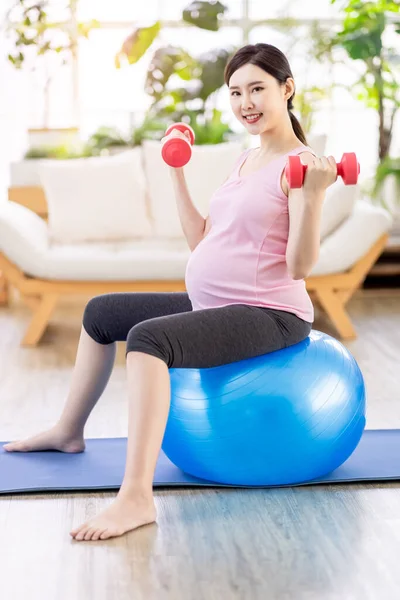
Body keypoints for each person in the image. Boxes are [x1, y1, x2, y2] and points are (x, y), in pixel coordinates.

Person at [3, 43, 338, 542]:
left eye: (258, 89)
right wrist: (176, 173)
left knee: (148, 340)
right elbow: (202, 240)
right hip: (220, 304)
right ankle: (68, 430)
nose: (246, 102)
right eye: (236, 92)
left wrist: (311, 195)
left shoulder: (301, 166)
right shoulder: (247, 159)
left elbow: (300, 265)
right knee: (101, 314)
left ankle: (136, 496)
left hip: (269, 314)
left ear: (287, 89)